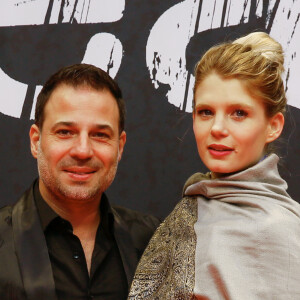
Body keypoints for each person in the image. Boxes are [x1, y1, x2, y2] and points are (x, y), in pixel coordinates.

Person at [128, 32, 300, 299]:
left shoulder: (278, 230)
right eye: (206, 112)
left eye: (239, 113)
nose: (217, 128)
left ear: (273, 126)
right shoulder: (193, 205)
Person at [0, 63, 160, 300]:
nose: (83, 150)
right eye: (65, 132)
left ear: (120, 147)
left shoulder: (153, 240)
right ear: (36, 141)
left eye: (100, 135)